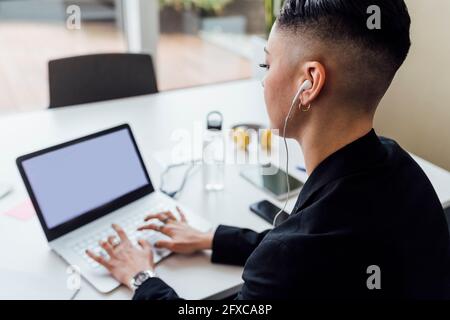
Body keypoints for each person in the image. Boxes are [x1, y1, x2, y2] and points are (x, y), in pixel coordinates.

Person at [87, 0, 450, 299]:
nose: (263, 80)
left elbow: (297, 253)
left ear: (309, 83)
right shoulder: (402, 170)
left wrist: (140, 277)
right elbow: (315, 246)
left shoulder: (289, 260)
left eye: (267, 63)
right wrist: (213, 238)